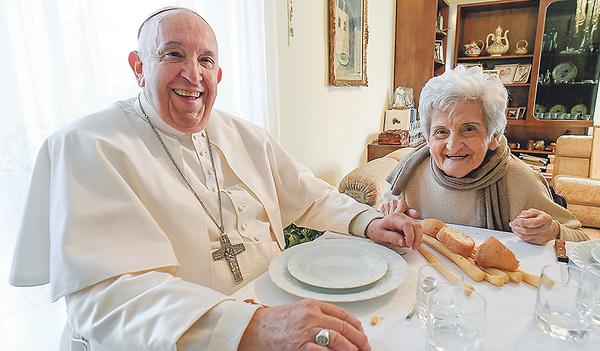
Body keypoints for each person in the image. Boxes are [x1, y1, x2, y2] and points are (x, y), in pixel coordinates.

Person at [9, 7, 423, 350]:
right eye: (173, 55)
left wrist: (367, 221)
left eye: (206, 60)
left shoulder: (245, 134)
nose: (193, 74)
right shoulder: (87, 146)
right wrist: (250, 327)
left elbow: (309, 194)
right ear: (138, 67)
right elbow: (107, 298)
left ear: (219, 75)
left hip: (277, 313)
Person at [380, 65, 588, 245]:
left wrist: (553, 231)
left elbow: (581, 239)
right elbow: (382, 218)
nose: (453, 145)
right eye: (441, 132)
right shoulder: (411, 172)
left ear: (493, 136)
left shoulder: (519, 179)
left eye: (468, 129)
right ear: (428, 137)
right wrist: (389, 216)